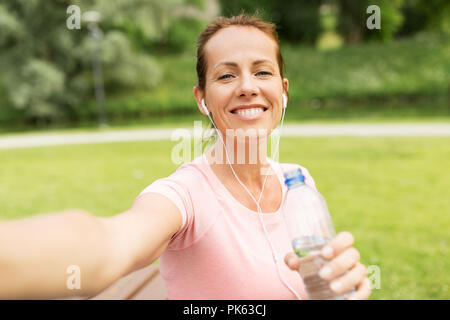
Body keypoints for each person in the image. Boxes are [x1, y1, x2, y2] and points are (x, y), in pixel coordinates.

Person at [0, 14, 371, 300]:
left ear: (283, 91)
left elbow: (320, 278)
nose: (247, 87)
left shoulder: (299, 180)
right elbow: (109, 243)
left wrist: (341, 280)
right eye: (226, 76)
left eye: (262, 71)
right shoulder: (185, 195)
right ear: (202, 99)